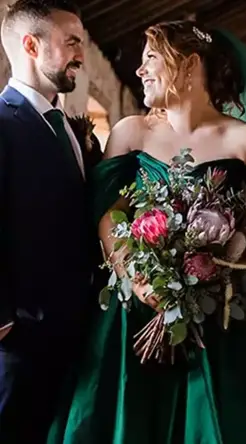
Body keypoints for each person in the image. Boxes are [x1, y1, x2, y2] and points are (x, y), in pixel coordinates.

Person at [47, 20, 246, 443]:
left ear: (188, 65)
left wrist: (212, 277)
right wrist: (139, 277)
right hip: (134, 313)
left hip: (225, 320)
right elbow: (109, 215)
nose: (140, 70)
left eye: (150, 57)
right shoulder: (131, 133)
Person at [0, 0, 102, 441]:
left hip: (78, 329)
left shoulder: (69, 126)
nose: (81, 54)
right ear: (30, 45)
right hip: (21, 337)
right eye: (71, 42)